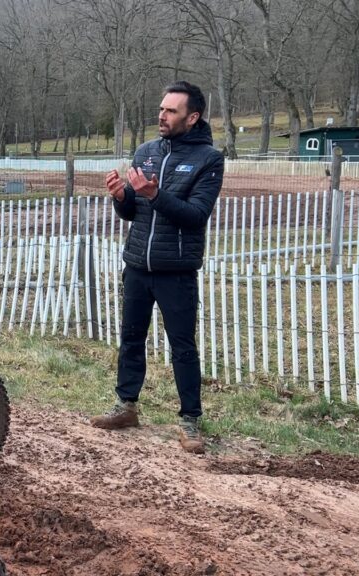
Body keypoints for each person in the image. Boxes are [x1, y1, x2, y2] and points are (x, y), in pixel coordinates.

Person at [90, 81, 224, 454]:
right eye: (161, 108)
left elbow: (196, 215)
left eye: (170, 111)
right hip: (137, 264)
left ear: (192, 117)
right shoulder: (146, 152)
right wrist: (121, 198)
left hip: (176, 270)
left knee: (183, 347)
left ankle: (190, 421)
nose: (161, 116)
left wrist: (154, 194)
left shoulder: (209, 160)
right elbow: (132, 212)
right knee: (131, 338)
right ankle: (126, 407)